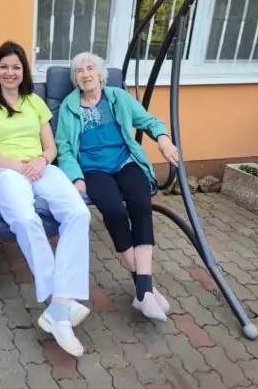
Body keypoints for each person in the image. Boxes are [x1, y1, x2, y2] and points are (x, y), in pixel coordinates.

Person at [0, 41, 91, 357]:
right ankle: (61, 306)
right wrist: (15, 165)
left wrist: (41, 160)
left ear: (24, 71)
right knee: (25, 218)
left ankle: (58, 306)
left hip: (40, 168)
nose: (10, 72)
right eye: (4, 67)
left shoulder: (34, 102)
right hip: (4, 171)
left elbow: (51, 147)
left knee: (79, 213)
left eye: (16, 67)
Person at [55, 52, 180, 322]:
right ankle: (146, 290)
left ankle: (143, 291)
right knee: (113, 211)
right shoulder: (69, 107)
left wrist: (163, 140)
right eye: (79, 71)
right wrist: (76, 178)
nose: (85, 74)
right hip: (93, 169)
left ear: (100, 74)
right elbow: (64, 148)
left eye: (90, 68)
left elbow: (150, 121)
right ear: (75, 78)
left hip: (125, 162)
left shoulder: (118, 98)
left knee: (141, 204)